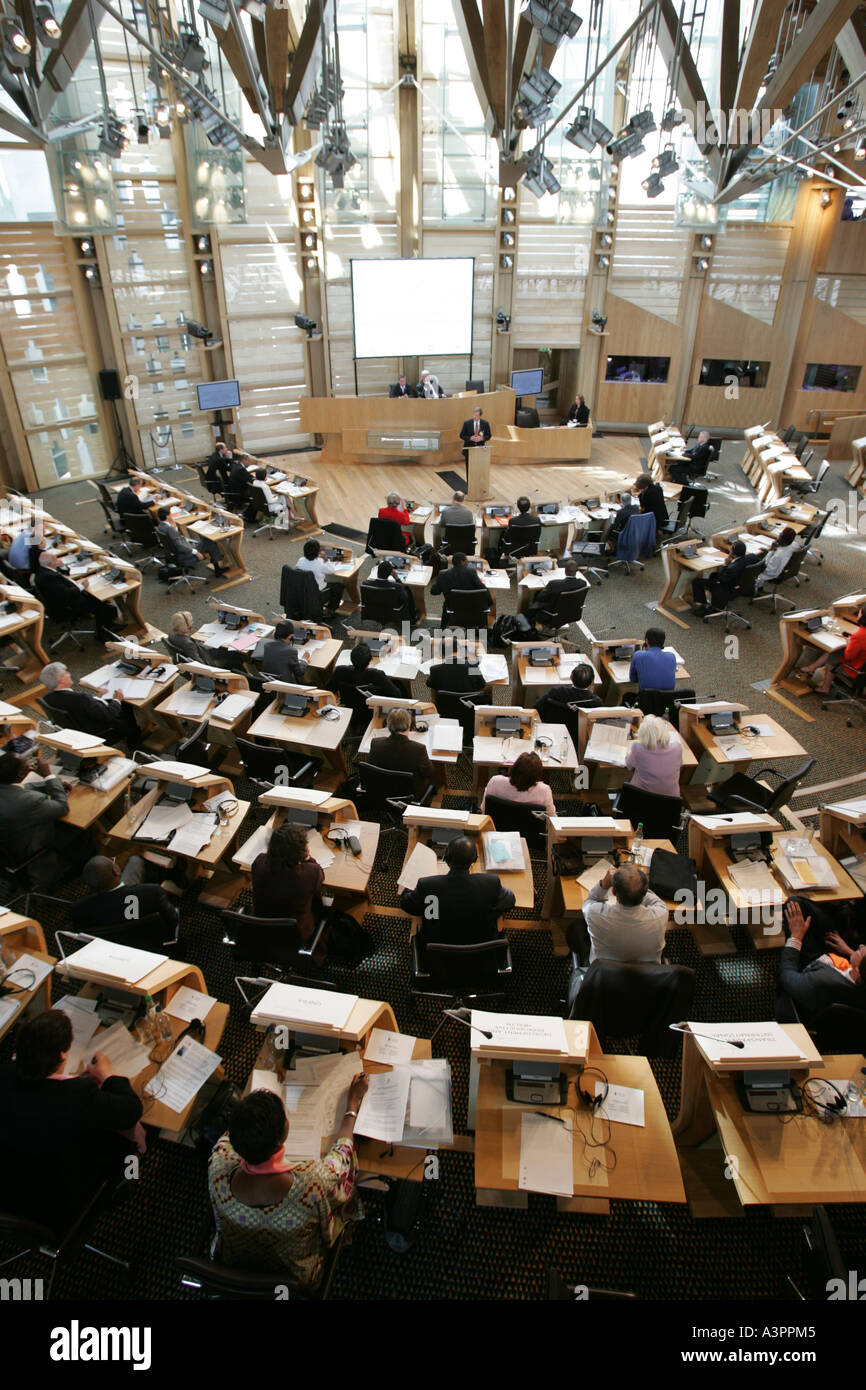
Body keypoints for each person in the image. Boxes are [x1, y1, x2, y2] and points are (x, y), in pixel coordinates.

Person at [208, 1079, 367, 1286]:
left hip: (234, 1267)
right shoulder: (312, 1183)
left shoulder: (218, 1164)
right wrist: (352, 1106)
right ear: (282, 1135)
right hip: (291, 1280)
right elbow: (343, 1157)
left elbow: (231, 1136)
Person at [0, 1009, 144, 1229]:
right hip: (59, 1207)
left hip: (9, 1193)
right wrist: (107, 1075)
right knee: (132, 1137)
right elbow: (131, 1110)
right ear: (62, 1056)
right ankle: (127, 1180)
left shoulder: (4, 1076)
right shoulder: (78, 1095)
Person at [400, 835, 514, 946]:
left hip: (437, 956)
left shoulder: (428, 885)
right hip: (481, 957)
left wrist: (411, 886)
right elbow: (510, 901)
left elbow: (407, 904)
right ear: (474, 859)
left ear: (446, 858)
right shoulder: (490, 883)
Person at [776, 901, 866, 1025]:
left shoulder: (821, 982)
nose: (861, 947)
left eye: (861, 952)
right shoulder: (861, 978)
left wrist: (796, 937)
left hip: (807, 975)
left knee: (795, 905)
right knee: (801, 906)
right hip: (834, 963)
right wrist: (851, 953)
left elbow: (786, 975)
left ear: (858, 970)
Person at [70, 855, 180, 947]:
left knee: (135, 862)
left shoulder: (78, 909)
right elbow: (173, 920)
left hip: (113, 951)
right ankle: (174, 875)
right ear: (116, 871)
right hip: (157, 945)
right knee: (135, 861)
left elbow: (83, 940)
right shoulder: (152, 892)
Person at [252, 823, 326, 958]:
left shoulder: (259, 863)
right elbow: (320, 875)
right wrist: (308, 858)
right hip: (297, 935)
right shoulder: (310, 873)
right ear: (302, 851)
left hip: (261, 932)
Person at [574, 863, 668, 965]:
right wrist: (635, 885)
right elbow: (654, 900)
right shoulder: (661, 914)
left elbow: (590, 901)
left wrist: (604, 884)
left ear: (614, 891)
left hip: (606, 978)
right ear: (644, 891)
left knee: (576, 928)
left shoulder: (595, 914)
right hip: (646, 978)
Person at [41, 660, 138, 746]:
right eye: (66, 673)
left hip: (79, 729)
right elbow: (108, 714)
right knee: (125, 705)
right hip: (103, 732)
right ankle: (133, 738)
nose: (69, 674)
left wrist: (98, 699)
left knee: (109, 700)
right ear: (61, 679)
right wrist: (117, 699)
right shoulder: (81, 698)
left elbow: (81, 707)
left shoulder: (47, 698)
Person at [0, 746, 69, 867]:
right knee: (78, 828)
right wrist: (48, 775)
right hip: (26, 849)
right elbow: (62, 807)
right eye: (27, 765)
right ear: (22, 775)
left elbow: (17, 790)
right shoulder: (31, 801)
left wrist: (51, 783)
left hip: (6, 845)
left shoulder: (7, 787)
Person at [34, 551, 120, 642]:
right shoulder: (48, 577)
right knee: (102, 604)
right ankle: (103, 634)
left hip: (62, 600)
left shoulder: (44, 570)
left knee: (98, 600)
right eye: (56, 559)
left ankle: (108, 625)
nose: (58, 560)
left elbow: (65, 575)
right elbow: (66, 594)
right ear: (50, 563)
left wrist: (62, 566)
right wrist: (82, 586)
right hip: (67, 605)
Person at [361, 706, 432, 796]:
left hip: (381, 790)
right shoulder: (419, 749)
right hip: (409, 794)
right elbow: (429, 772)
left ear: (388, 725)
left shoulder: (376, 743)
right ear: (409, 724)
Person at [799, 606, 866, 695]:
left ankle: (824, 688)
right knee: (836, 651)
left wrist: (849, 642)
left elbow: (848, 656)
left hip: (856, 670)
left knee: (833, 655)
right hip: (863, 665)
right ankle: (811, 668)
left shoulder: (859, 635)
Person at [156, 507, 227, 578]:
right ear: (167, 516)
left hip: (174, 554)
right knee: (210, 542)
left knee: (204, 541)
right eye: (170, 514)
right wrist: (196, 552)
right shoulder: (169, 529)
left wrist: (174, 527)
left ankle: (217, 561)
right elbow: (179, 546)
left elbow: (175, 539)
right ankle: (217, 569)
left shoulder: (160, 526)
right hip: (184, 554)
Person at [482, 750, 555, 816]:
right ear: (538, 775)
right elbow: (551, 820)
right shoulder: (544, 791)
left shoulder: (495, 782)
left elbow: (484, 810)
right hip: (530, 830)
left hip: (496, 829)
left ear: (514, 767)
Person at [625, 714, 682, 797]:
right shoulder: (677, 748)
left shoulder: (637, 748)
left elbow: (629, 765)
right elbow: (679, 765)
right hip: (670, 804)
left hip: (641, 800)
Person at [691, 539, 750, 615]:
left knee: (697, 582)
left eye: (731, 549)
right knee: (713, 575)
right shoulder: (750, 557)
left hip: (725, 588)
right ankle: (715, 600)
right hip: (739, 585)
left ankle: (705, 608)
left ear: (734, 554)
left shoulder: (732, 568)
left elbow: (721, 579)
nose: (729, 550)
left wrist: (725, 565)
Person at [527, 559, 588, 625]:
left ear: (565, 571)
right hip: (571, 614)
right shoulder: (583, 583)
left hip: (552, 615)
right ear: (577, 571)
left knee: (537, 595)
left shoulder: (554, 584)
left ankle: (530, 620)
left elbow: (540, 597)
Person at [332, 641, 401, 699]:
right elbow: (397, 694)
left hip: (348, 708)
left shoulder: (339, 671)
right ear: (369, 661)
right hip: (372, 710)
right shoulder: (377, 675)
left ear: (351, 658)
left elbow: (328, 690)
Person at [430, 551, 486, 621]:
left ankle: (444, 626)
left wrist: (438, 582)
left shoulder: (442, 574)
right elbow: (483, 590)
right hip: (471, 606)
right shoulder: (472, 573)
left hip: (451, 607)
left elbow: (434, 592)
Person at [296, 538, 343, 613]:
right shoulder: (320, 563)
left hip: (303, 590)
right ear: (317, 552)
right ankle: (330, 609)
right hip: (318, 593)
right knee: (339, 587)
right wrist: (325, 559)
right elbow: (332, 570)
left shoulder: (300, 560)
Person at [754, 525, 804, 592]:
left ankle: (756, 588)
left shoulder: (778, 555)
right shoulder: (794, 545)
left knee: (752, 561)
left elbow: (766, 569)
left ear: (782, 539)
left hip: (772, 573)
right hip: (783, 567)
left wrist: (771, 551)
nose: (779, 535)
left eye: (780, 535)